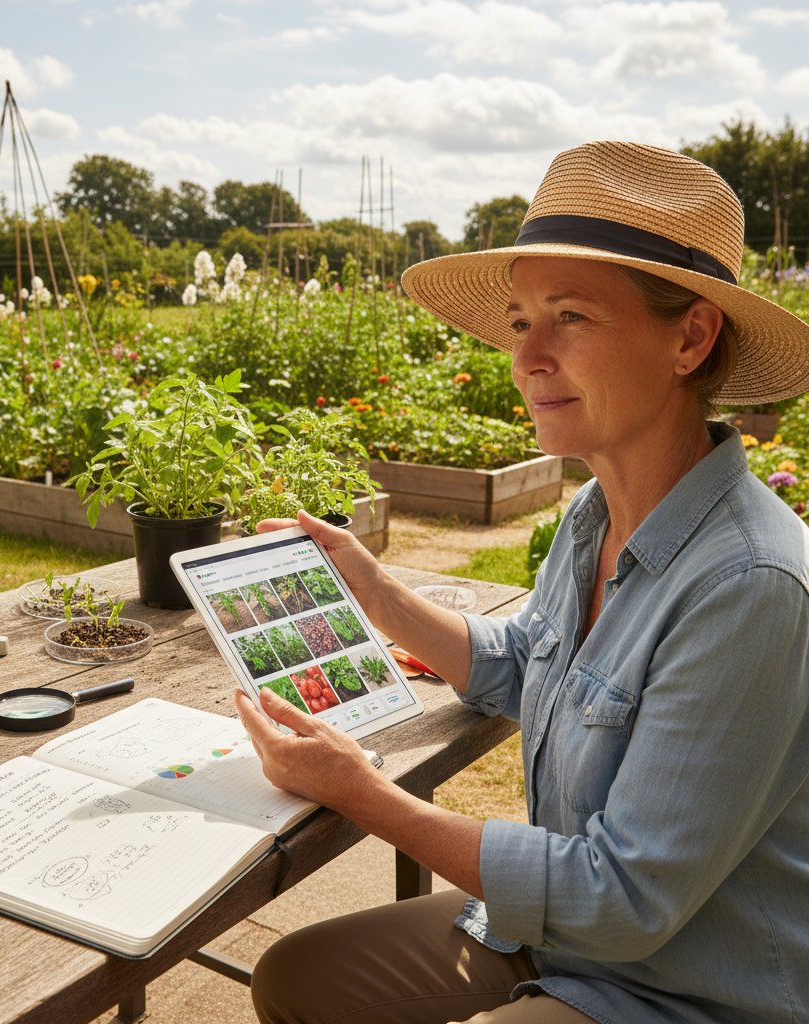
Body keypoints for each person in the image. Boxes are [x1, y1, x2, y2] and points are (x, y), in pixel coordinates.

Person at [233, 140, 809, 1024]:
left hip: (680, 989)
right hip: (559, 938)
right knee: (295, 979)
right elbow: (523, 660)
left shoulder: (749, 585)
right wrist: (372, 589)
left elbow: (623, 900)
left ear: (691, 337)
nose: (527, 356)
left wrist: (361, 793)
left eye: (570, 316)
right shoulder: (595, 514)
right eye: (518, 320)